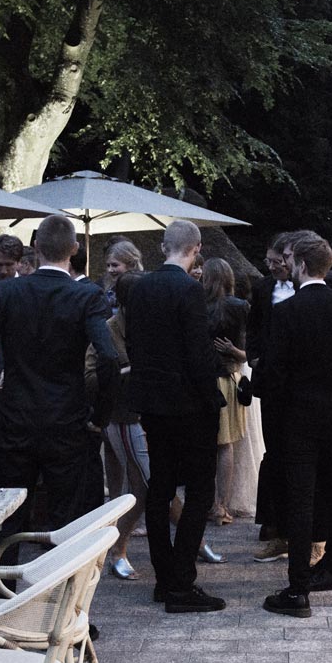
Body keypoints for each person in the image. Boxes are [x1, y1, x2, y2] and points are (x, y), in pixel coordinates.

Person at [0, 214, 117, 546]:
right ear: (74, 249)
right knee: (67, 521)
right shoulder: (86, 296)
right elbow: (108, 357)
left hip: (15, 416)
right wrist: (100, 416)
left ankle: (0, 595)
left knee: (9, 520)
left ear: (35, 248)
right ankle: (60, 593)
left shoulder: (7, 293)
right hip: (67, 419)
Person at [256, 232, 332, 617]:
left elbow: (272, 376)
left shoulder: (287, 312)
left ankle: (298, 591)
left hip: (300, 420)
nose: (288, 267)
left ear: (302, 266)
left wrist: (256, 385)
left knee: (300, 498)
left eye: (292, 262)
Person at [122, 219, 227, 613]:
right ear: (196, 248)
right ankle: (182, 581)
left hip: (152, 403)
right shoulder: (189, 289)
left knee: (160, 487)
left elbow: (135, 342)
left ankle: (165, 579)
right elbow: (197, 352)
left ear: (163, 246)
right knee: (200, 491)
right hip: (189, 406)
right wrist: (213, 397)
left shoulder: (141, 286)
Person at [246, 232, 297, 561]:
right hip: (270, 381)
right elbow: (254, 327)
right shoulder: (264, 288)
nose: (274, 268)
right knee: (273, 451)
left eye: (278, 262)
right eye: (270, 263)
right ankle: (271, 521)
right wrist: (253, 357)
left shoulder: (304, 288)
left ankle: (293, 526)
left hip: (296, 382)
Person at [101, 268, 149, 579]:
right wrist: (131, 370)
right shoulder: (110, 328)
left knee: (150, 483)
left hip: (147, 413)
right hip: (123, 415)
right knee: (145, 484)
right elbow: (97, 375)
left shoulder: (149, 325)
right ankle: (117, 547)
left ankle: (196, 542)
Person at [202, 258, 249, 524]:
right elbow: (246, 354)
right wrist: (233, 352)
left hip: (203, 382)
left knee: (208, 445)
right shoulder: (240, 307)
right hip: (229, 380)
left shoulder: (198, 305)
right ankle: (222, 505)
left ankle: (208, 502)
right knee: (226, 446)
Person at [103, 239, 143, 309]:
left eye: (114, 265)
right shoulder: (108, 289)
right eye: (108, 265)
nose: (110, 270)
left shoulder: (143, 289)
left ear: (131, 264)